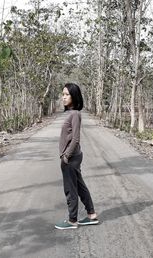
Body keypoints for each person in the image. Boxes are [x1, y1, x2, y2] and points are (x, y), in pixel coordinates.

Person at [55, 83, 99, 230]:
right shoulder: (73, 113)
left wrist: (66, 156)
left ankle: (72, 220)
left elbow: (75, 138)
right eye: (63, 94)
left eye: (67, 94)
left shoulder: (74, 114)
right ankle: (91, 214)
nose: (64, 97)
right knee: (80, 187)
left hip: (71, 158)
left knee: (70, 189)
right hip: (74, 157)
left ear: (74, 96)